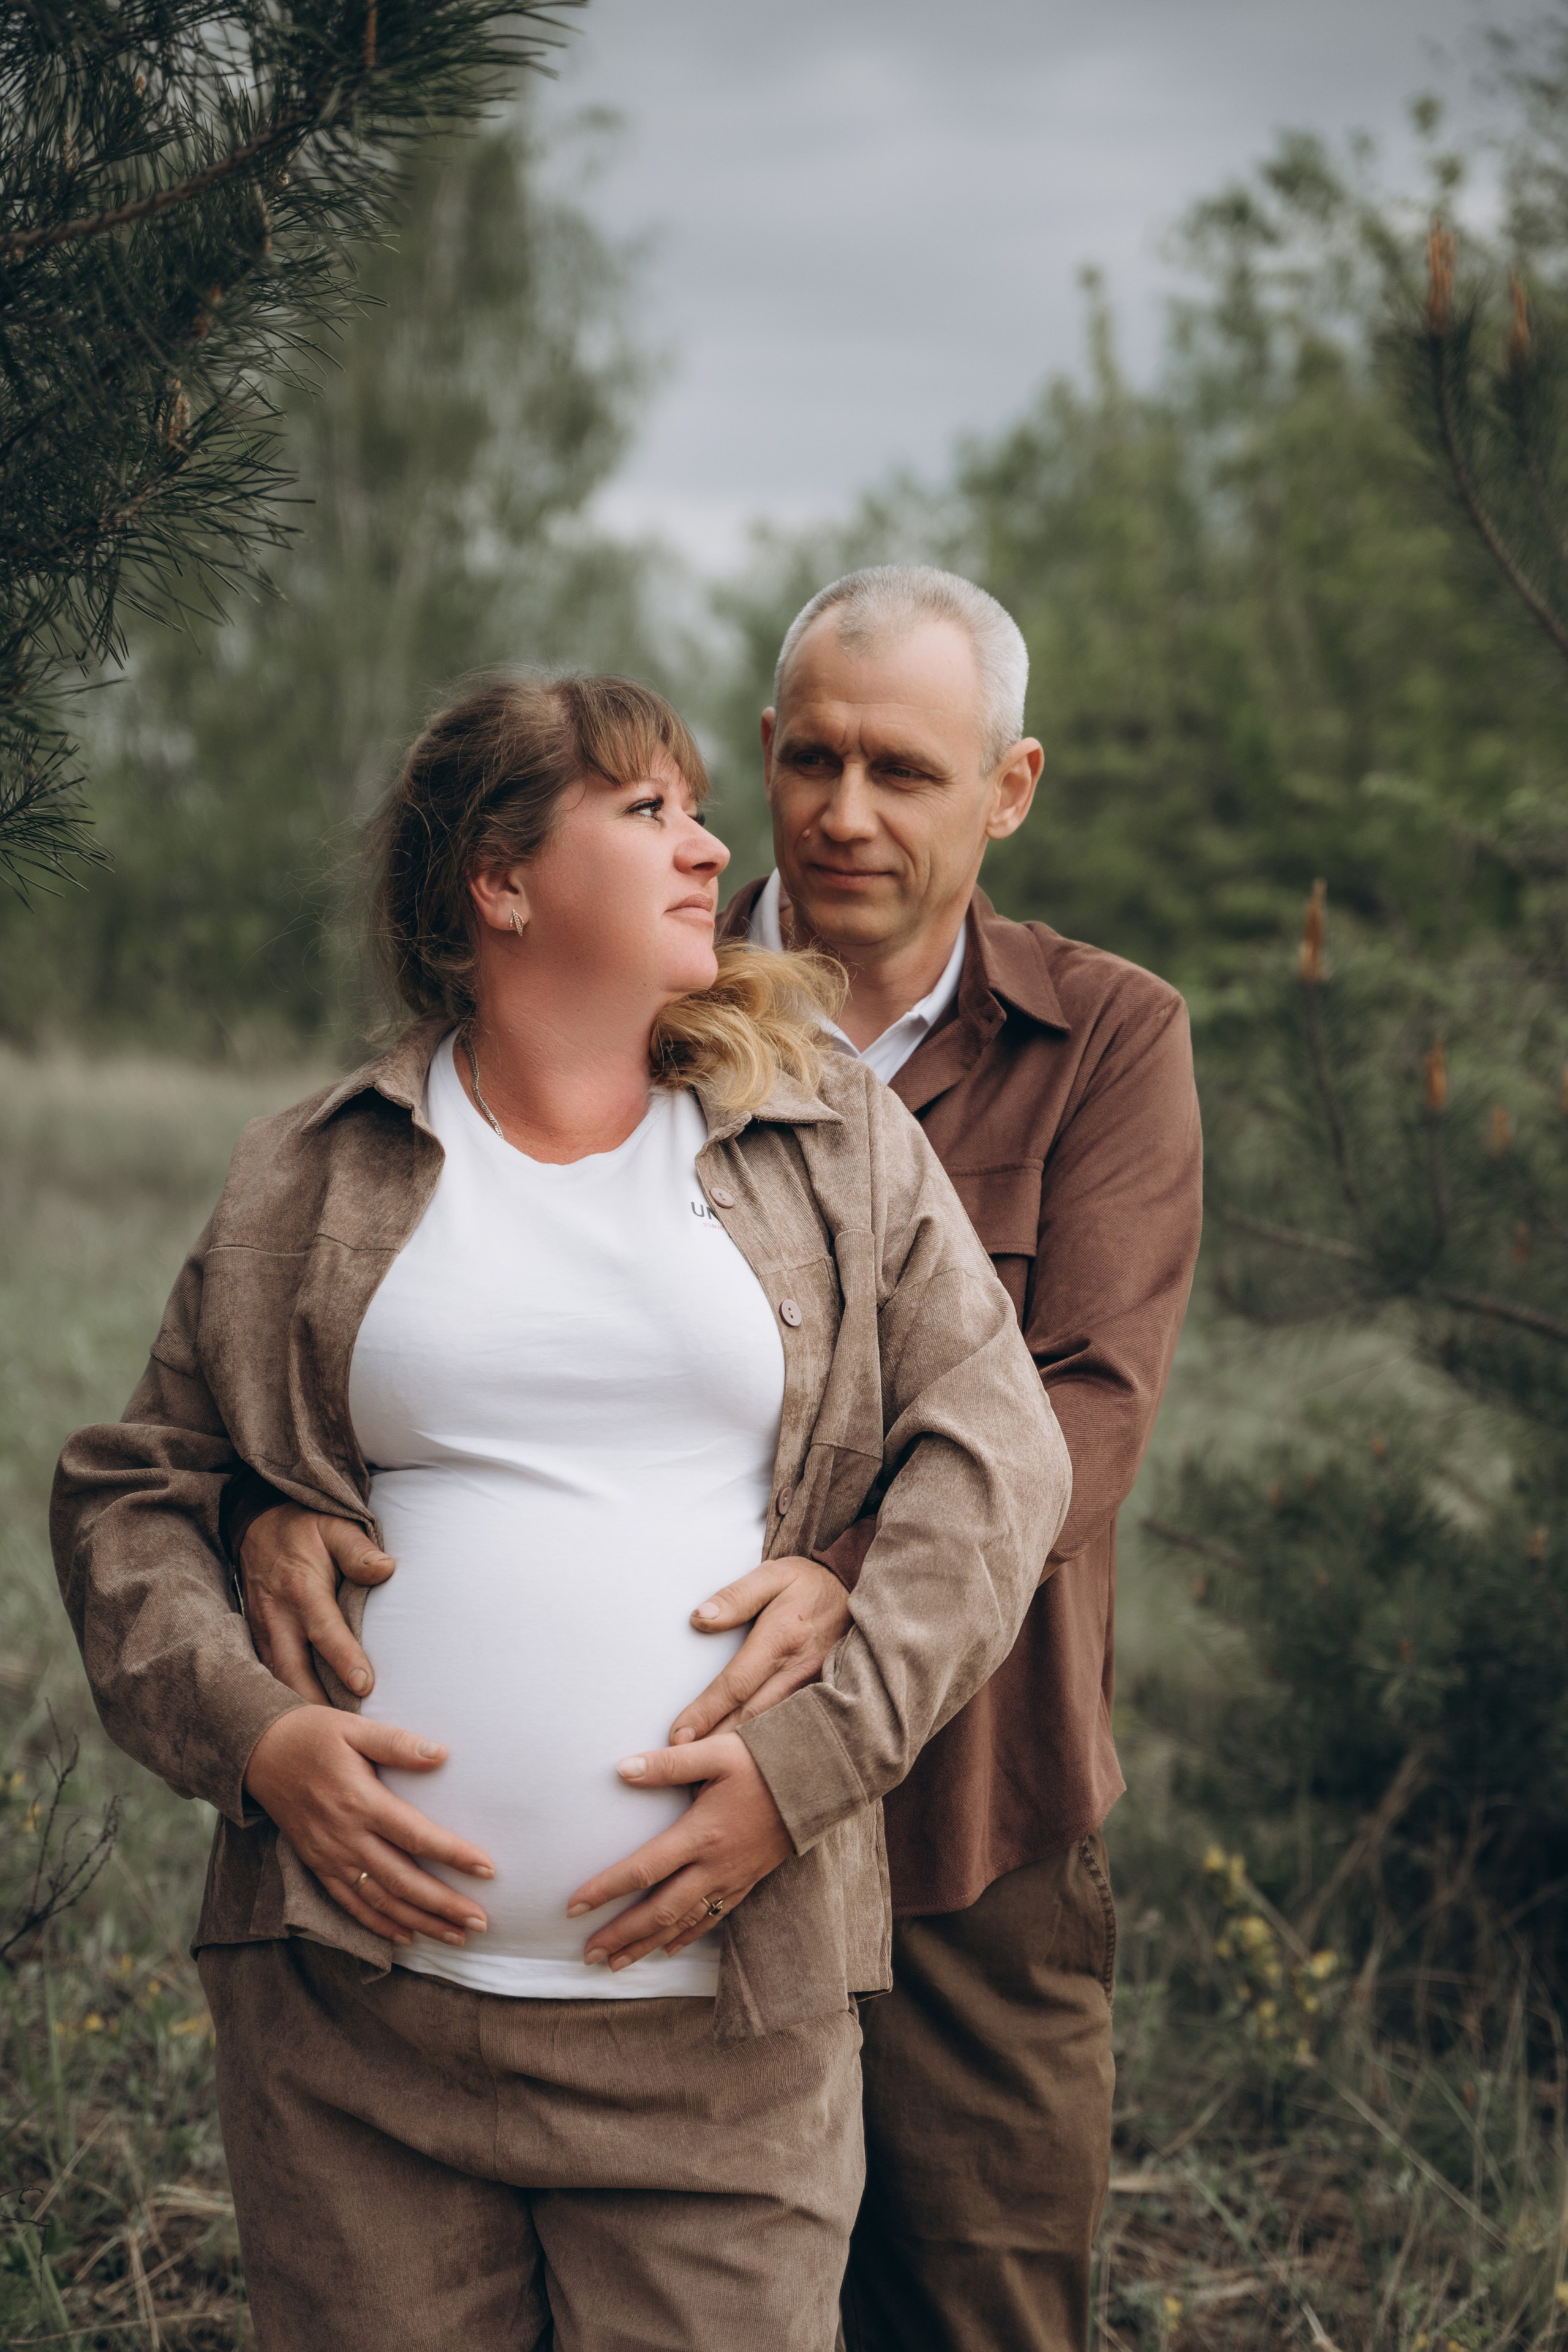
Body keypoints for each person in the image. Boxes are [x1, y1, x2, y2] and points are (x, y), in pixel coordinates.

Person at [232, 571, 1205, 2352]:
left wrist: (838, 1587)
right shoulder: (635, 994)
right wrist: (260, 1506)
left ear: (1009, 787)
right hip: (552, 1956)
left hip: (970, 1806)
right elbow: (385, 1344)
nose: (842, 810)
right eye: (810, 759)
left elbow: (1078, 1410)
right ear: (764, 752)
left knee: (976, 2299)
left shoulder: (1107, 1041)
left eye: (904, 771)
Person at [50, 673, 1072, 2352]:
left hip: (722, 2051)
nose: (713, 846)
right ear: (501, 882)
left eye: (691, 808)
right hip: (357, 2040)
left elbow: (1001, 1459)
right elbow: (134, 1492)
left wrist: (804, 1769)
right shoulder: (311, 1168)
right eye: (651, 811)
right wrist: (255, 1737)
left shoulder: (828, 1141)